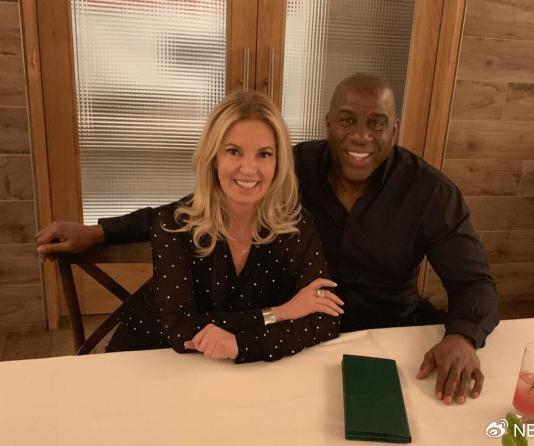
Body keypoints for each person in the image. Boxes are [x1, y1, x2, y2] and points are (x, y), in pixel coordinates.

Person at [37, 74, 498, 403]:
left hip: (375, 334)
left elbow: (474, 281)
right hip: (279, 338)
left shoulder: (430, 193)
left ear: (394, 129)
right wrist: (99, 231)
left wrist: (463, 335)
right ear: (328, 123)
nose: (361, 135)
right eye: (347, 120)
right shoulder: (290, 166)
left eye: (376, 123)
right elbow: (189, 209)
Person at [37, 91, 344, 363]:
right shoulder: (175, 224)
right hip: (148, 360)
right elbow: (182, 330)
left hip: (229, 371)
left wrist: (241, 345)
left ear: (278, 163)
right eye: (233, 151)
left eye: (264, 154)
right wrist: (282, 313)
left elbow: (326, 320)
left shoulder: (296, 227)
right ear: (214, 157)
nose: (249, 168)